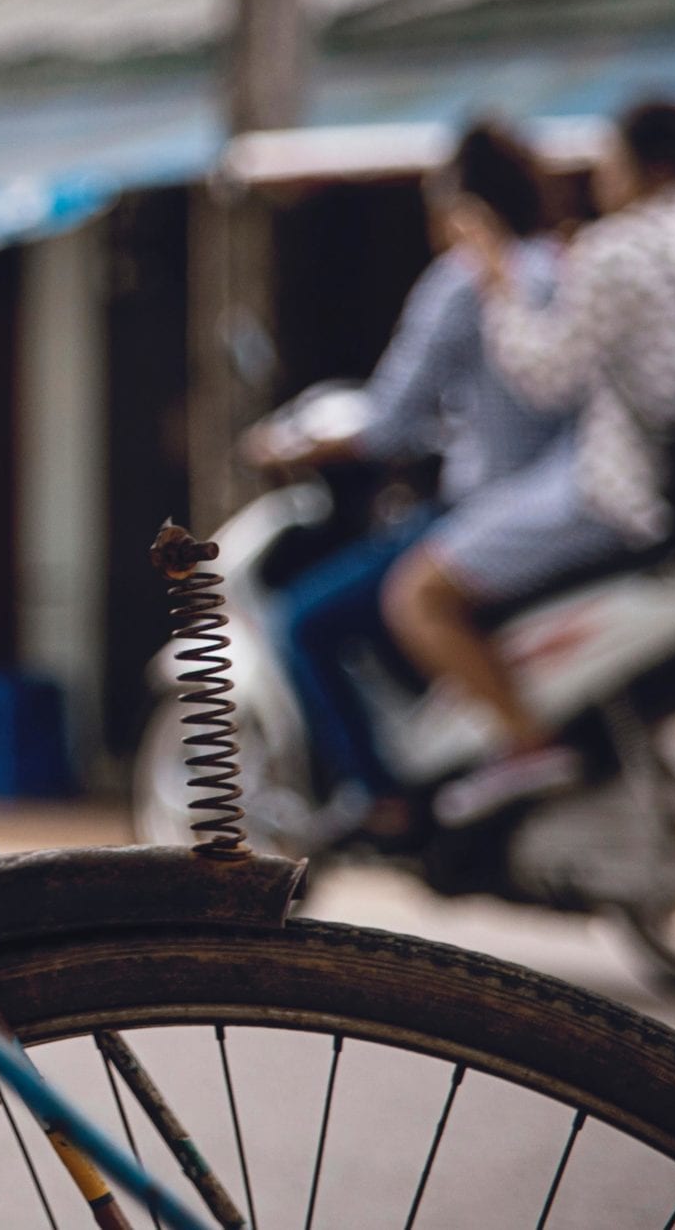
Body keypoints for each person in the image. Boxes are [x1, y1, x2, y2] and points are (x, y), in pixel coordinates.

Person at [387, 77, 675, 825]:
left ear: (649, 168)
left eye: (610, 160)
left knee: (417, 594)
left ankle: (526, 742)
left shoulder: (615, 250)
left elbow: (544, 377)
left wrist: (498, 273)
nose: (600, 179)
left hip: (623, 491)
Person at [246, 121, 568, 841]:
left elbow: (388, 420)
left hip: (492, 511)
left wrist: (295, 443)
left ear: (462, 204)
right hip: (562, 501)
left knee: (303, 619)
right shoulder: (562, 266)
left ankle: (382, 796)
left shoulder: (467, 279)